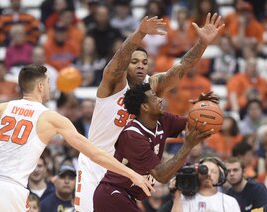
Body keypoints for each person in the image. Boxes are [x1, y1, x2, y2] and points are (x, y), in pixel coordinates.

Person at [75, 13, 225, 211]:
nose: (140, 66)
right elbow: (117, 62)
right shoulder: (112, 85)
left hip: (124, 172)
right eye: (134, 61)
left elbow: (182, 67)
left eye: (144, 62)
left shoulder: (152, 87)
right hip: (96, 163)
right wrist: (140, 33)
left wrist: (202, 44)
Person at [0, 64, 153, 212]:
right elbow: (94, 154)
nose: (50, 87)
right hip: (9, 190)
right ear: (40, 86)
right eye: (48, 83)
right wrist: (132, 174)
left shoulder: (1, 108)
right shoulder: (50, 118)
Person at [93, 83, 214, 211]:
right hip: (112, 194)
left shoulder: (162, 120)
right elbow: (161, 176)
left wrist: (202, 108)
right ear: (145, 107)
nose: (160, 99)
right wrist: (188, 145)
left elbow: (194, 124)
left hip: (127, 195)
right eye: (155, 98)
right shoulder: (133, 135)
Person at [171, 157, 241, 212]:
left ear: (220, 177)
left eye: (213, 171)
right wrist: (177, 194)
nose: (208, 174)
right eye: (204, 171)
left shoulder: (230, 202)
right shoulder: (184, 199)